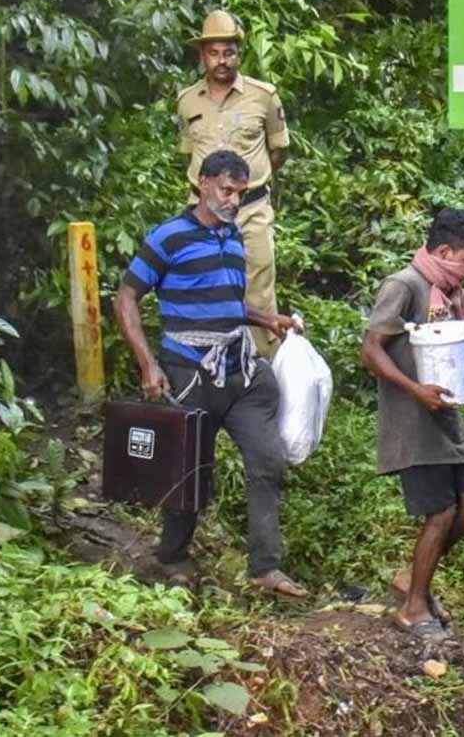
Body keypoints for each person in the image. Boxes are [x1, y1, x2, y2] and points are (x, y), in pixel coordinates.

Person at [113, 149, 306, 597]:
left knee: (268, 460)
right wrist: (148, 365)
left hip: (240, 372)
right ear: (203, 183)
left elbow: (226, 302)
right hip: (189, 371)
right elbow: (126, 299)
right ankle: (172, 557)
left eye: (240, 192)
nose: (234, 200)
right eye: (226, 190)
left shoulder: (232, 237)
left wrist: (266, 319)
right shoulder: (169, 237)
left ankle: (265, 567)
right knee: (190, 469)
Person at [360, 208, 464, 642]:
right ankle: (414, 608)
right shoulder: (405, 286)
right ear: (442, 251)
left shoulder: (449, 291)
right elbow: (371, 350)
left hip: (446, 415)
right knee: (441, 510)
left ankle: (410, 578)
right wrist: (414, 389)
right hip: (414, 419)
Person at [176, 10, 289, 359]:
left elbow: (278, 150)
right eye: (214, 52)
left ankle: (261, 372)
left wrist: (243, 191)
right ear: (202, 56)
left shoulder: (263, 96)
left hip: (251, 209)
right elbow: (188, 154)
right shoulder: (187, 101)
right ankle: (209, 367)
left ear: (239, 54)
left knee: (256, 290)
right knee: (204, 287)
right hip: (204, 214)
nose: (222, 60)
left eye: (229, 52)